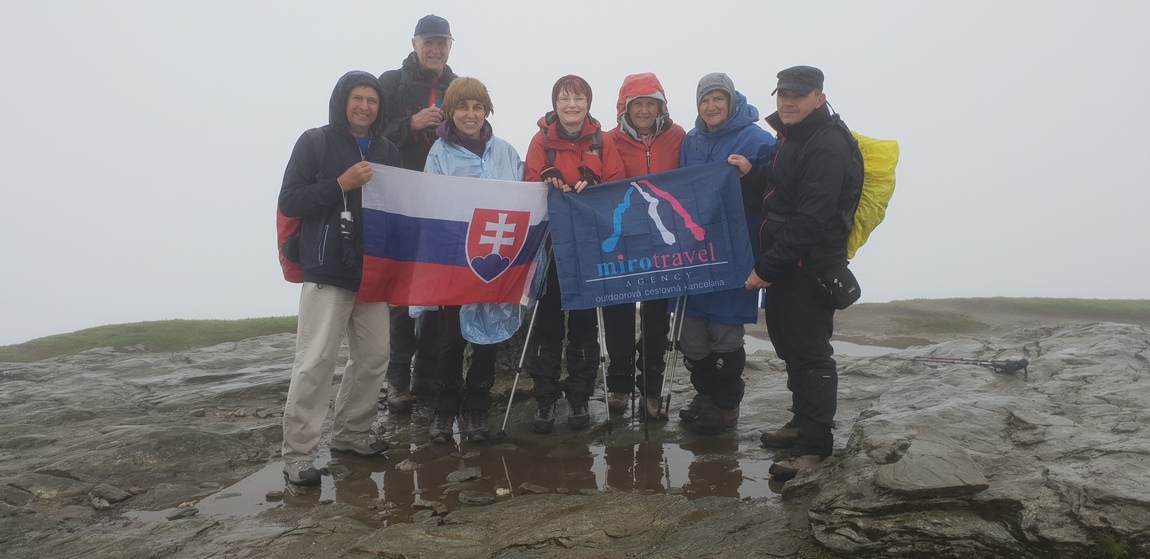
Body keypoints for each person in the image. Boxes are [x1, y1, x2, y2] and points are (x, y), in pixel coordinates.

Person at [277, 71, 402, 486]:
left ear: (380, 107)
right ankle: (298, 455)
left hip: (373, 271)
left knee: (374, 357)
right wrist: (340, 185)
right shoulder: (314, 142)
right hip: (326, 268)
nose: (364, 106)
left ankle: (351, 434)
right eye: (357, 98)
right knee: (315, 361)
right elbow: (290, 200)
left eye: (372, 100)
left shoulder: (387, 150)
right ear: (342, 101)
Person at [744, 66, 864, 481]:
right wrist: (751, 173)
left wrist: (766, 268)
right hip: (789, 264)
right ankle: (800, 422)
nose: (788, 102)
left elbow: (812, 218)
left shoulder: (827, 144)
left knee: (811, 355)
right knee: (790, 345)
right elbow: (783, 186)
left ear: (819, 97)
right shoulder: (795, 136)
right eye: (783, 95)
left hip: (810, 266)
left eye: (798, 95)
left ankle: (813, 447)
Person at [421, 77, 524, 443]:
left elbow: (525, 197)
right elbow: (431, 204)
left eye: (477, 107)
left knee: (488, 336)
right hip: (455, 261)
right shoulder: (439, 154)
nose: (470, 114)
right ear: (450, 111)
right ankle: (444, 409)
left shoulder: (505, 151)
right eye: (462, 107)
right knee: (451, 338)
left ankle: (477, 407)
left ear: (486, 111)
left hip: (496, 260)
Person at [524, 74, 625, 433]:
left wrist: (597, 184)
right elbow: (527, 187)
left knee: (584, 325)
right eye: (564, 98)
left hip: (588, 246)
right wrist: (545, 178)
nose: (571, 105)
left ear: (588, 103)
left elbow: (618, 186)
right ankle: (546, 398)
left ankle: (580, 396)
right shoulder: (541, 141)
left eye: (579, 98)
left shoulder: (603, 140)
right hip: (551, 247)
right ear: (555, 103)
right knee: (548, 325)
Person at [676, 73, 775, 435]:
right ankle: (705, 396)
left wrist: (750, 173)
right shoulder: (691, 141)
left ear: (731, 101)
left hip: (734, 253)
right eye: (705, 100)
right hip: (694, 255)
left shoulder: (757, 139)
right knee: (691, 336)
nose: (711, 106)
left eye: (719, 98)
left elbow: (776, 190)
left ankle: (726, 405)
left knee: (724, 333)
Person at [377, 14, 459, 414]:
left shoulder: (458, 87)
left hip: (443, 206)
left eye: (442, 43)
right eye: (429, 42)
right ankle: (397, 380)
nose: (436, 49)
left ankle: (426, 372)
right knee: (401, 293)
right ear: (414, 44)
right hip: (400, 202)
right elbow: (370, 136)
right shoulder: (390, 83)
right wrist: (410, 124)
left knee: (439, 291)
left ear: (450, 46)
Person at [602, 73, 686, 421]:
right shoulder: (608, 140)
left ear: (661, 106)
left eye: (651, 103)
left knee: (656, 318)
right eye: (637, 104)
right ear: (625, 107)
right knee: (618, 315)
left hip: (663, 241)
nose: (644, 110)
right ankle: (620, 385)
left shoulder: (678, 137)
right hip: (623, 239)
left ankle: (651, 389)